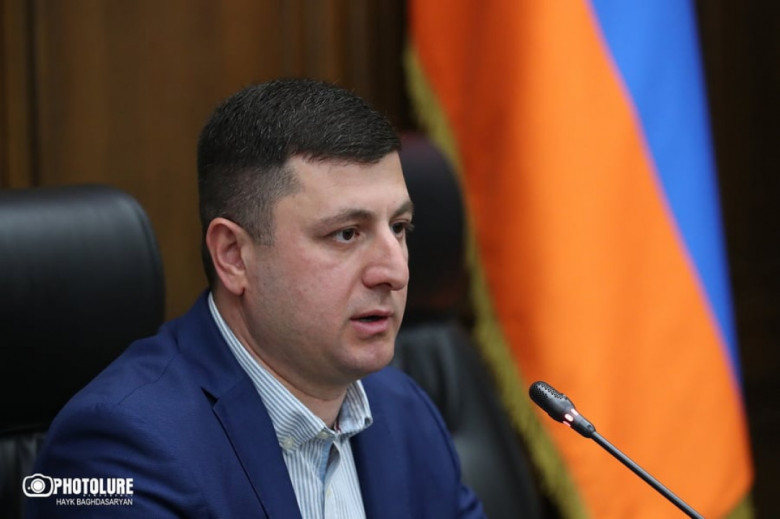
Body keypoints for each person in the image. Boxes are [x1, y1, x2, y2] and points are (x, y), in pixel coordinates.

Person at [26, 78, 485, 518]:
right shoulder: (120, 448)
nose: (395, 272)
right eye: (346, 234)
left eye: (399, 228)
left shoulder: (405, 412)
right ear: (233, 257)